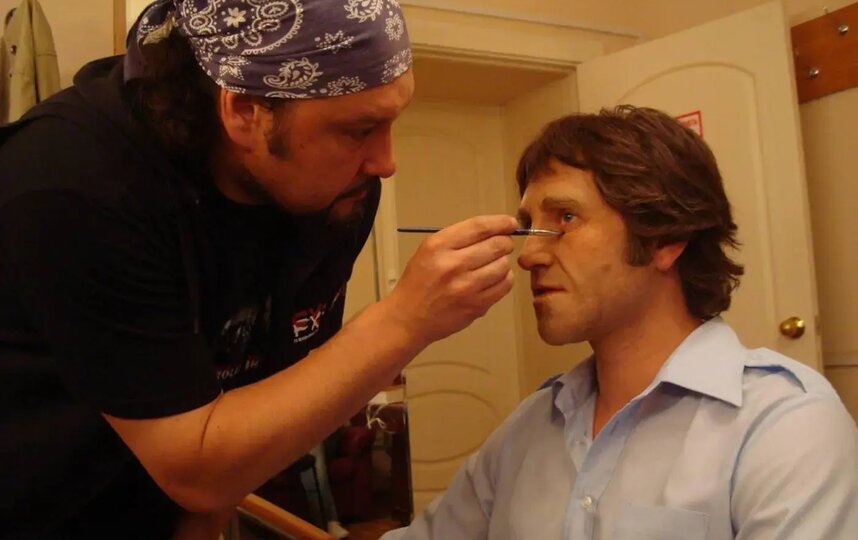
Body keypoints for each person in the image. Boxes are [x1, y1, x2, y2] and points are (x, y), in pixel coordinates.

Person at [0, 1, 518, 538]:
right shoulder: (75, 184)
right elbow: (197, 468)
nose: (386, 163)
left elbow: (258, 415)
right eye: (360, 129)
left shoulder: (338, 194)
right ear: (245, 112)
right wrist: (406, 319)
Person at [382, 106, 858, 540]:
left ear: (664, 239)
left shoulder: (783, 425)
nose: (528, 255)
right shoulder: (527, 430)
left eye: (566, 217)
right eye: (529, 226)